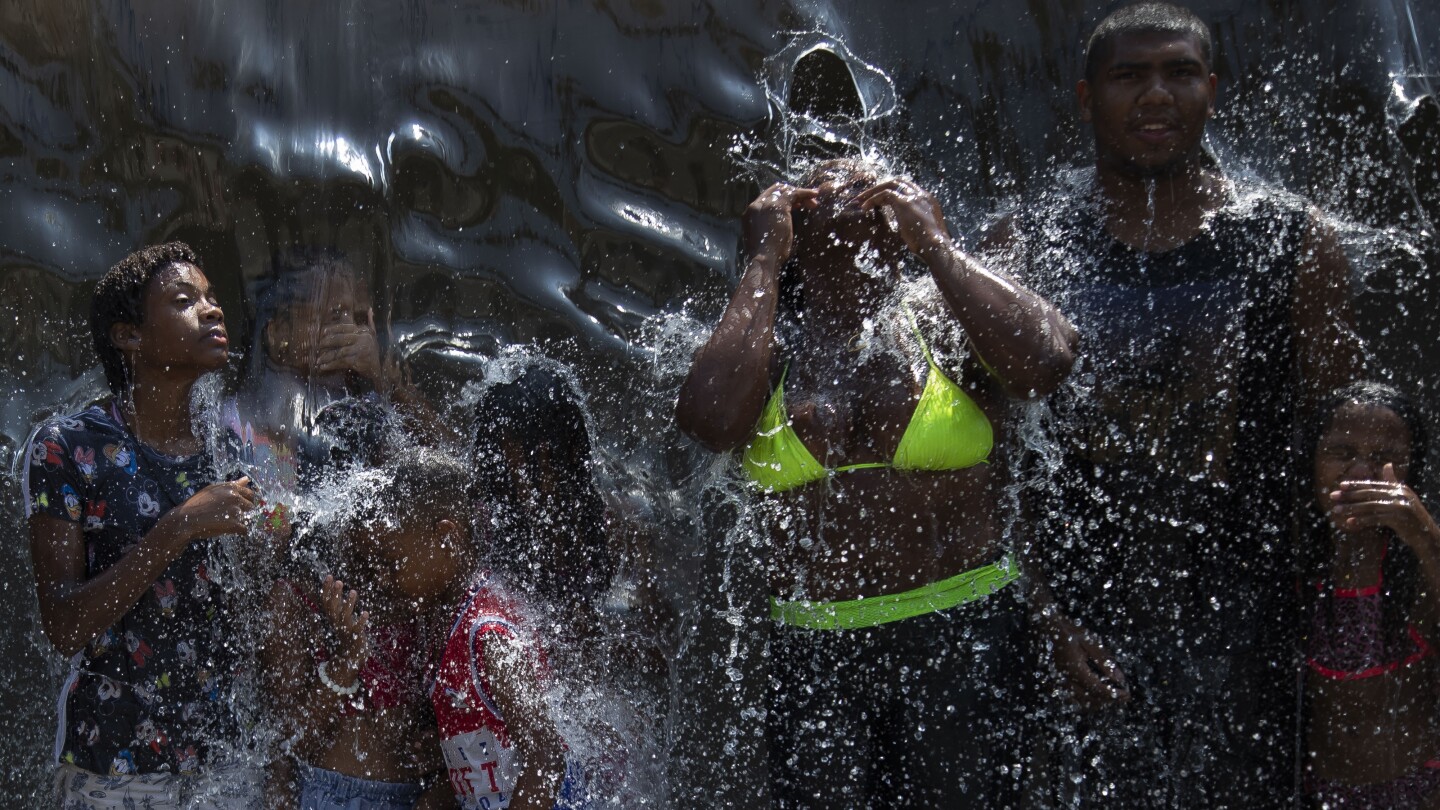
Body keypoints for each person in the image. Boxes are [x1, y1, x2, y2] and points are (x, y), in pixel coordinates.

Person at [985, 3, 1362, 805]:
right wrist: (1043, 616)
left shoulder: (1293, 241)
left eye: (1179, 73)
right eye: (1130, 75)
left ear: (1213, 91)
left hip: (1249, 626)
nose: (1156, 95)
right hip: (1077, 618)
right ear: (1086, 97)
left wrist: (1335, 623)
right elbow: (990, 454)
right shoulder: (1028, 244)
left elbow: (1330, 444)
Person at [674, 157, 1078, 806]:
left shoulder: (940, 321)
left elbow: (1047, 357)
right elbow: (710, 420)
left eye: (873, 174)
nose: (858, 177)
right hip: (816, 650)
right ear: (793, 220)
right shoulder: (767, 341)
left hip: (965, 632)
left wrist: (938, 247)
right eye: (831, 175)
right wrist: (763, 264)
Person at [25, 242, 265, 807]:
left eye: (212, 298)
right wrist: (178, 526)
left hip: (224, 761)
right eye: (185, 300)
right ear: (129, 336)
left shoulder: (228, 449)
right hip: (115, 764)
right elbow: (63, 624)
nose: (212, 310)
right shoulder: (66, 447)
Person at [1302, 382, 1440, 809]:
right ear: (1311, 460)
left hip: (1417, 789)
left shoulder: (1420, 562)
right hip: (1320, 790)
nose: (1360, 472)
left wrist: (1422, 535)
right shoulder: (1294, 556)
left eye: (1385, 459)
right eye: (1342, 453)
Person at [259, 506, 438, 808]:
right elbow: (290, 743)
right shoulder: (296, 599)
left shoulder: (414, 589)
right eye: (361, 560)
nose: (378, 576)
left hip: (416, 796)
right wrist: (349, 657)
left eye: (386, 560)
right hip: (329, 795)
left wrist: (438, 751)